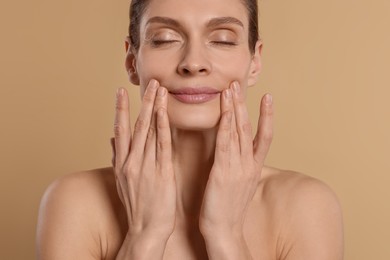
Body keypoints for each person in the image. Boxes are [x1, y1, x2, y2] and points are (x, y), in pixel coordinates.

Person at [36, 0, 344, 259]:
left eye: (222, 39)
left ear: (255, 61)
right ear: (132, 61)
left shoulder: (305, 208)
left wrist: (227, 237)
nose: (194, 63)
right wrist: (145, 236)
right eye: (165, 38)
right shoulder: (75, 203)